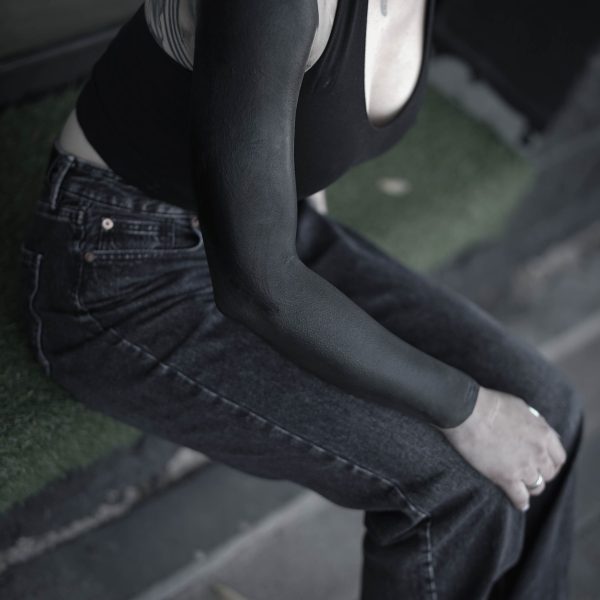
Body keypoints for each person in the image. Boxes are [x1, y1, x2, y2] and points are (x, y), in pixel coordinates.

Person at [19, 1, 584, 598]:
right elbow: (258, 286)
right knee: (453, 488)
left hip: (266, 231)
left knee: (547, 404)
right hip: (121, 264)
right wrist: (472, 409)